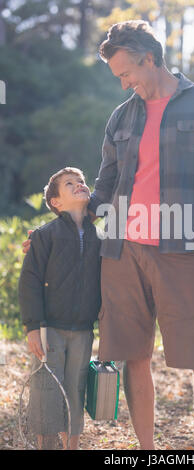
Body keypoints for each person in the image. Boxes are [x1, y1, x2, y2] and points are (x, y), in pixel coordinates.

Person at [88, 20, 194, 451]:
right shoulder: (122, 115)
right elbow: (104, 187)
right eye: (118, 77)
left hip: (182, 247)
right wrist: (63, 228)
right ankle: (147, 451)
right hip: (122, 250)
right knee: (133, 355)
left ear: (150, 59)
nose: (124, 83)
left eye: (127, 73)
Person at [19, 167, 101, 450]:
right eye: (70, 183)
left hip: (82, 329)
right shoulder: (45, 235)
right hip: (48, 328)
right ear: (56, 202)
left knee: (76, 389)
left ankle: (72, 446)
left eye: (81, 181)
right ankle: (46, 445)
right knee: (46, 389)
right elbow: (29, 281)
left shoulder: (100, 238)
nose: (80, 184)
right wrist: (32, 326)